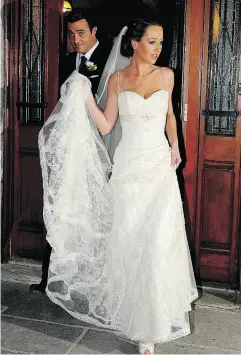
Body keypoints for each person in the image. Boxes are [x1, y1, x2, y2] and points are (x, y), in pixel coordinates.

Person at [39, 18, 198, 355]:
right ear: (135, 43)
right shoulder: (116, 79)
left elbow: (169, 116)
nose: (158, 49)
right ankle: (130, 312)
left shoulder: (167, 76)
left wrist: (175, 146)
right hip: (127, 171)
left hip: (158, 169)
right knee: (129, 242)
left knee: (156, 244)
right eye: (152, 42)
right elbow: (107, 124)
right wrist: (84, 97)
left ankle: (149, 330)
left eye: (161, 42)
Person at [29, 7, 112, 293]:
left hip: (97, 145)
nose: (76, 40)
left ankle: (94, 278)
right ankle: (52, 277)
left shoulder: (110, 59)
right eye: (71, 34)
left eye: (81, 33)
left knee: (93, 210)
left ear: (94, 32)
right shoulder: (66, 63)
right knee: (62, 206)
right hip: (70, 149)